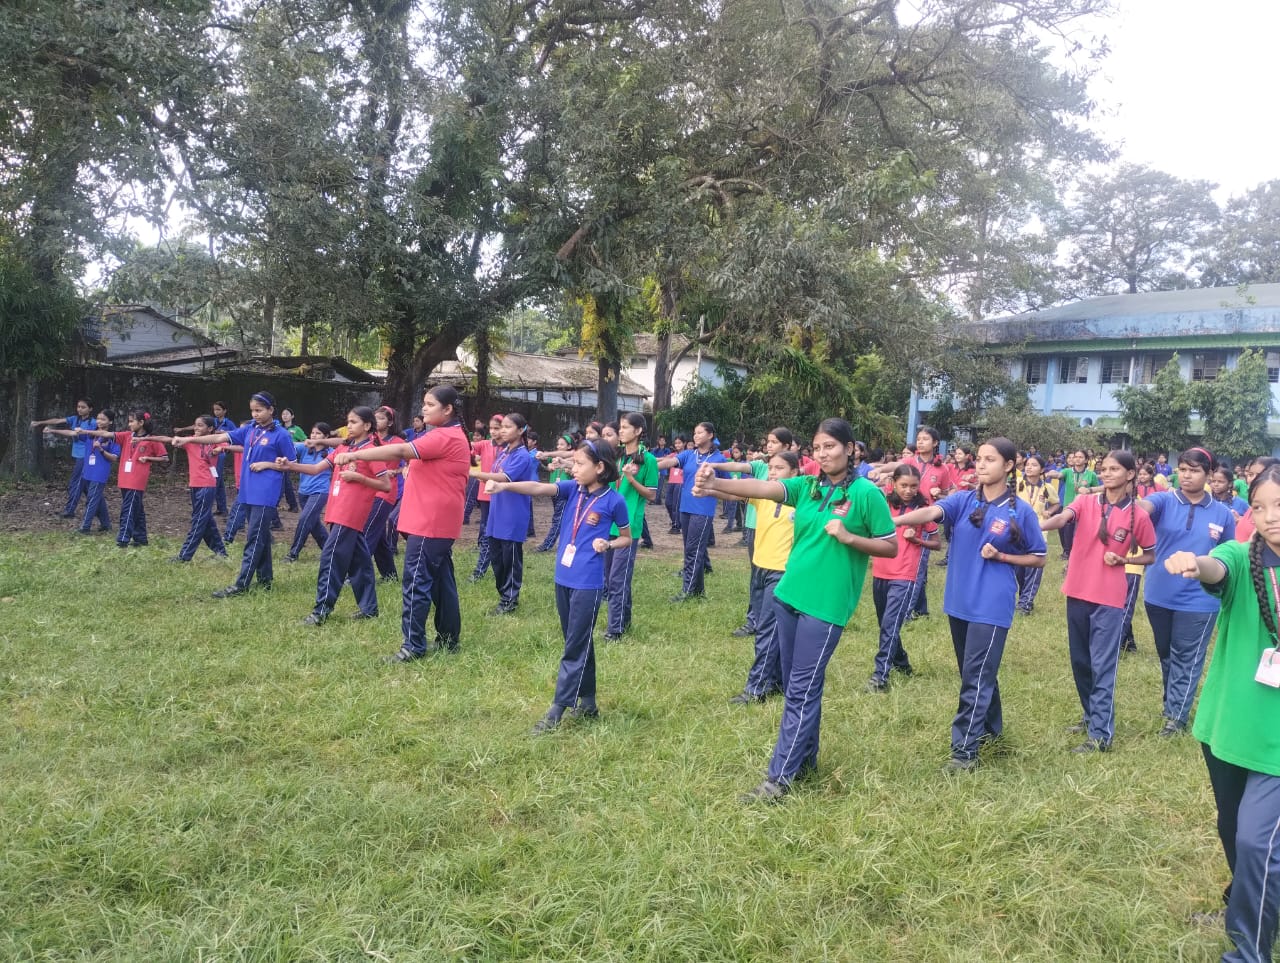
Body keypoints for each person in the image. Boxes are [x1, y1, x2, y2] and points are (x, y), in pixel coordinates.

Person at [693, 417, 897, 802]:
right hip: (788, 596)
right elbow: (764, 487)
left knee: (801, 690)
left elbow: (889, 545)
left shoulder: (868, 494)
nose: (823, 454)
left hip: (826, 605)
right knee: (798, 689)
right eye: (817, 448)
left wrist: (850, 537)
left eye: (831, 447)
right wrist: (715, 485)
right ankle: (804, 763)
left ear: (850, 449)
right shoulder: (806, 486)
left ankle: (778, 780)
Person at [1164, 462, 1280, 963]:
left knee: (1258, 842)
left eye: (1279, 507)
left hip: (1275, 745)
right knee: (1233, 831)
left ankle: (1247, 952)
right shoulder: (1242, 554)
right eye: (1259, 507)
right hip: (1229, 725)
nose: (1270, 517)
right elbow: (1219, 567)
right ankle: (1248, 906)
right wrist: (1197, 562)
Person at [892, 437, 1047, 772]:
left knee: (975, 676)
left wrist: (1003, 555)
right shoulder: (963, 500)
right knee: (975, 672)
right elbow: (934, 510)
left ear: (1008, 465)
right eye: (979, 458)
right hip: (959, 602)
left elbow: (1039, 557)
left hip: (991, 604)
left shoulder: (1020, 511)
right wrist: (899, 521)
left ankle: (964, 751)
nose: (981, 464)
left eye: (990, 459)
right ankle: (993, 730)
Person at [490, 440, 631, 733]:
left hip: (588, 583)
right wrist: (506, 487)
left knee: (574, 645)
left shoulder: (613, 501)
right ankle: (589, 701)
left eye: (580, 464)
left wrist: (609, 543)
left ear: (600, 468)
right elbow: (538, 488)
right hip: (563, 578)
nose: (574, 469)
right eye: (574, 463)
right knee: (578, 640)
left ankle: (557, 709)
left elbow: (627, 538)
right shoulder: (572, 490)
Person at [340, 386, 471, 661]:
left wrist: (355, 455)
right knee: (441, 581)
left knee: (416, 582)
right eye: (424, 403)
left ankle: (412, 646)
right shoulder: (447, 434)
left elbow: (399, 450)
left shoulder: (445, 436)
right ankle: (448, 639)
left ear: (447, 410)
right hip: (435, 521)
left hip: (430, 521)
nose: (423, 409)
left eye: (430, 404)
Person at [1041, 451, 1156, 752]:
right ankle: (1091, 714)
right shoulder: (1086, 502)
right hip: (1077, 591)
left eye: (1114, 469)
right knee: (1080, 661)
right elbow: (1065, 517)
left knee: (1102, 665)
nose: (1106, 474)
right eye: (1103, 469)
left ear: (1130, 474)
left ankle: (1100, 735)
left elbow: (1151, 554)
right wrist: (1041, 524)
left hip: (1109, 599)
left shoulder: (1139, 516)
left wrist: (1124, 558)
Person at [1138, 447, 1236, 735]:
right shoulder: (1164, 500)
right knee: (1166, 654)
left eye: (1194, 470)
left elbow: (1227, 554)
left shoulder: (1222, 514)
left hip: (1200, 600)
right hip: (1158, 594)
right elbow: (1144, 508)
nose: (1187, 475)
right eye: (1182, 469)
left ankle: (1177, 719)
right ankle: (1171, 704)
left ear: (1208, 474)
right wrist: (1134, 508)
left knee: (1187, 656)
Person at [174, 391, 297, 597]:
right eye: (252, 411)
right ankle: (265, 580)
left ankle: (241, 585)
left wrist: (267, 464)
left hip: (265, 492)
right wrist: (189, 441)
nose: (255, 414)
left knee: (253, 537)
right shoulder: (250, 429)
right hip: (248, 490)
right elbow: (220, 436)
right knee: (261, 536)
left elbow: (291, 464)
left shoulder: (281, 435)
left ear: (270, 410)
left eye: (259, 410)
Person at [277, 407, 392, 625]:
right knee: (360, 561)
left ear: (367, 426)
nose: (348, 426)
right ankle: (369, 608)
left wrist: (359, 478)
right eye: (348, 421)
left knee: (330, 559)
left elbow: (385, 485)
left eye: (354, 422)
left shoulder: (371, 451)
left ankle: (321, 610)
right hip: (337, 509)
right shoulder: (343, 448)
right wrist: (290, 466)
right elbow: (316, 468)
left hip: (350, 513)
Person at [868, 465, 940, 692]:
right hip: (880, 571)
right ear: (894, 484)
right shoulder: (883, 504)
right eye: (903, 485)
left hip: (905, 574)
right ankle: (902, 662)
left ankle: (880, 676)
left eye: (913, 486)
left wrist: (918, 541)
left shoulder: (922, 509)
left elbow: (937, 543)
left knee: (891, 625)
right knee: (885, 625)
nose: (909, 490)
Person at [719, 428, 795, 638]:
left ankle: (774, 621)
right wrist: (713, 475)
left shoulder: (798, 484)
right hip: (757, 525)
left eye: (774, 442)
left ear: (787, 446)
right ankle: (755, 620)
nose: (769, 446)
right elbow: (740, 478)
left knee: (777, 582)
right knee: (757, 577)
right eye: (768, 442)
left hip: (781, 538)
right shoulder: (762, 466)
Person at [473, 413, 538, 615]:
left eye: (508, 427)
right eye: (502, 427)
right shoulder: (504, 452)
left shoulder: (522, 455)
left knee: (510, 559)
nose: (503, 430)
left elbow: (504, 477)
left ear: (521, 430)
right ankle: (504, 594)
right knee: (496, 558)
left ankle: (510, 600)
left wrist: (473, 473)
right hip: (497, 511)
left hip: (512, 514)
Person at [75, 410, 169, 548]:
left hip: (136, 481)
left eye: (132, 421)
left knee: (128, 509)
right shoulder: (126, 436)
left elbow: (165, 458)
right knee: (136, 509)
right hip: (124, 479)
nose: (129, 424)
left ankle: (123, 538)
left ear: (141, 423)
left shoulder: (151, 439)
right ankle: (141, 538)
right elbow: (106, 434)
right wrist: (86, 431)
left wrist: (148, 458)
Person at [602, 412, 658, 642]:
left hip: (629, 526)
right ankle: (623, 622)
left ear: (638, 431)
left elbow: (652, 495)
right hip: (608, 523)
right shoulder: (617, 455)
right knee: (611, 578)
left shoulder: (648, 460)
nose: (621, 431)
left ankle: (614, 630)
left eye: (625, 427)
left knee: (618, 579)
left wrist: (632, 479)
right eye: (620, 427)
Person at [656, 422, 727, 602]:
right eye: (694, 433)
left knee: (693, 551)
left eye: (700, 433)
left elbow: (727, 485)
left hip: (703, 510)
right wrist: (648, 463)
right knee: (693, 550)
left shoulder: (719, 459)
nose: (695, 436)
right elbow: (669, 462)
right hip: (685, 508)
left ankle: (687, 591)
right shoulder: (688, 454)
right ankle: (698, 591)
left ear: (710, 435)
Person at [44, 409, 117, 535]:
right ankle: (106, 524)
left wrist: (101, 450)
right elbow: (72, 433)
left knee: (92, 499)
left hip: (99, 472)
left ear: (110, 422)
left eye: (103, 419)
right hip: (87, 471)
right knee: (97, 498)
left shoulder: (113, 437)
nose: (99, 421)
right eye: (98, 418)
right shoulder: (91, 434)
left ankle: (85, 527)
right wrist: (53, 430)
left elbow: (114, 457)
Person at [168, 416, 229, 562]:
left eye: (200, 425)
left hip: (207, 485)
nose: (196, 428)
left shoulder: (216, 440)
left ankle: (184, 555)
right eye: (195, 425)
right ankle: (221, 551)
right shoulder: (190, 441)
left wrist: (219, 449)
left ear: (209, 429)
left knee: (198, 520)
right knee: (206, 519)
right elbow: (166, 439)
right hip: (194, 485)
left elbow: (226, 446)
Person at [31, 398, 97, 517]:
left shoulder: (93, 423)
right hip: (78, 455)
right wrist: (40, 422)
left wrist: (52, 430)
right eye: (78, 407)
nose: (80, 409)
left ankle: (69, 511)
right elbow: (57, 420)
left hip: (86, 456)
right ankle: (98, 510)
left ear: (90, 409)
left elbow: (73, 433)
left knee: (75, 483)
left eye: (83, 407)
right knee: (85, 485)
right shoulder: (74, 419)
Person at [1014, 453, 1060, 615]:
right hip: (1017, 531)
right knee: (1019, 569)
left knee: (1033, 569)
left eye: (1033, 465)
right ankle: (1023, 597)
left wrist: (1049, 511)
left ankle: (1025, 603)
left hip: (1039, 532)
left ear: (1041, 469)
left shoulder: (1047, 488)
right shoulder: (1017, 483)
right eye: (1027, 464)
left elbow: (1056, 504)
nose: (1029, 467)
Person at [285, 422, 333, 562]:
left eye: (318, 433)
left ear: (326, 437)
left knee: (304, 519)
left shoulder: (331, 453)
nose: (314, 436)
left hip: (320, 492)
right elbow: (288, 449)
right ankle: (329, 550)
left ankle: (293, 554)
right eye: (313, 433)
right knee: (313, 523)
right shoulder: (304, 448)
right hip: (303, 492)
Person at [367, 405, 403, 582]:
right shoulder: (370, 439)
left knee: (367, 532)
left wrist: (397, 471)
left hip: (385, 492)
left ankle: (358, 571)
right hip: (368, 490)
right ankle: (390, 576)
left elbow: (413, 462)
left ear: (390, 422)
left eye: (380, 418)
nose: (376, 421)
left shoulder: (397, 442)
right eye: (375, 418)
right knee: (379, 537)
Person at [467, 414, 505, 582]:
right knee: (485, 531)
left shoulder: (509, 448)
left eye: (497, 428)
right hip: (485, 495)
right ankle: (480, 570)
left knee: (497, 534)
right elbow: (468, 448)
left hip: (502, 494)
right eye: (491, 428)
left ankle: (492, 567)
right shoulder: (484, 444)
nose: (494, 432)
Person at [1047, 450, 1099, 561]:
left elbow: (1096, 490)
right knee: (1066, 530)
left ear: (1086, 460)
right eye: (1076, 457)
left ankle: (1081, 553)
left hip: (1085, 508)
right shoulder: (1067, 471)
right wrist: (1052, 473)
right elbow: (1059, 475)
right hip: (1069, 506)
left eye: (1080, 457)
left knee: (1081, 531)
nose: (1077, 459)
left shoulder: (1091, 475)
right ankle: (1067, 552)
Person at [535, 434, 574, 553]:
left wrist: (570, 470)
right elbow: (545, 462)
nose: (559, 446)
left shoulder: (572, 459)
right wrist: (548, 466)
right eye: (558, 444)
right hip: (554, 491)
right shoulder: (554, 458)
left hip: (565, 493)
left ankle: (547, 544)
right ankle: (566, 543)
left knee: (558, 518)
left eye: (562, 444)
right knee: (562, 518)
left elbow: (575, 473)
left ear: (569, 447)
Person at [210, 401, 235, 515]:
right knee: (218, 480)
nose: (216, 412)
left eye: (219, 409)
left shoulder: (228, 423)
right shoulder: (212, 421)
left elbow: (237, 433)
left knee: (216, 479)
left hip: (221, 452)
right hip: (212, 451)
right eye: (215, 409)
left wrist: (224, 432)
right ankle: (222, 508)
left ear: (224, 411)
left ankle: (217, 506)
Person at [278, 407, 305, 512]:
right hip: (278, 457)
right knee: (286, 482)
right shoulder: (278, 428)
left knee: (283, 481)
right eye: (283, 414)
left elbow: (305, 442)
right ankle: (293, 505)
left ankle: (274, 504)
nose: (284, 416)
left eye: (287, 414)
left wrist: (294, 444)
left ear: (292, 416)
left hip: (289, 458)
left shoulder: (297, 429)